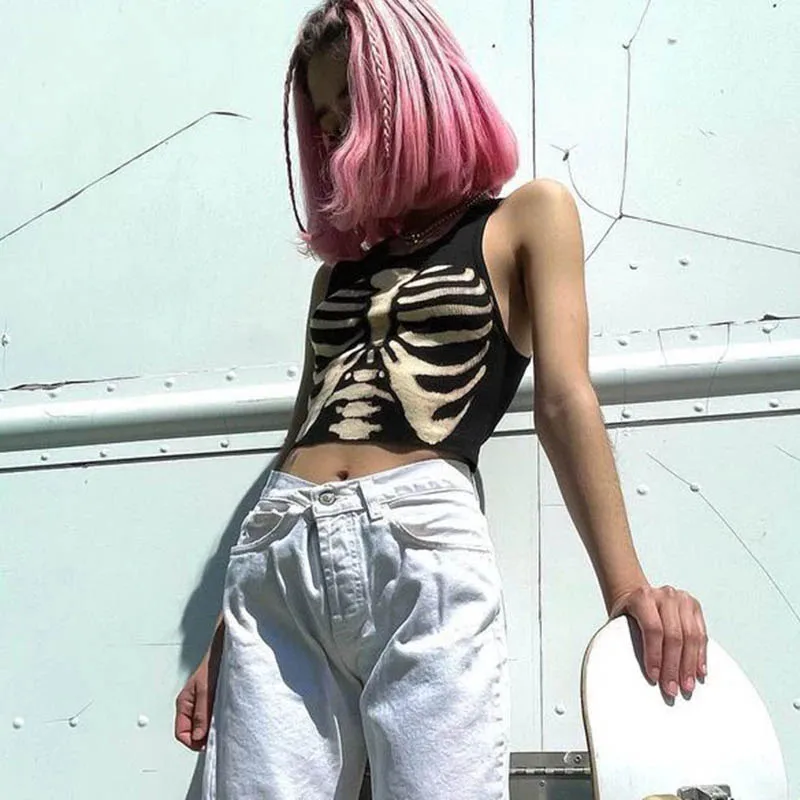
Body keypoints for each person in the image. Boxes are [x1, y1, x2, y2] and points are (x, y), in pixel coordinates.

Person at [175, 1, 709, 798]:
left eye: (349, 106)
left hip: (419, 534)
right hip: (280, 547)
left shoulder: (528, 217)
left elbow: (564, 401)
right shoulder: (337, 277)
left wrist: (626, 589)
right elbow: (303, 429)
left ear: (412, 92)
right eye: (323, 121)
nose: (334, 136)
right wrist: (228, 621)